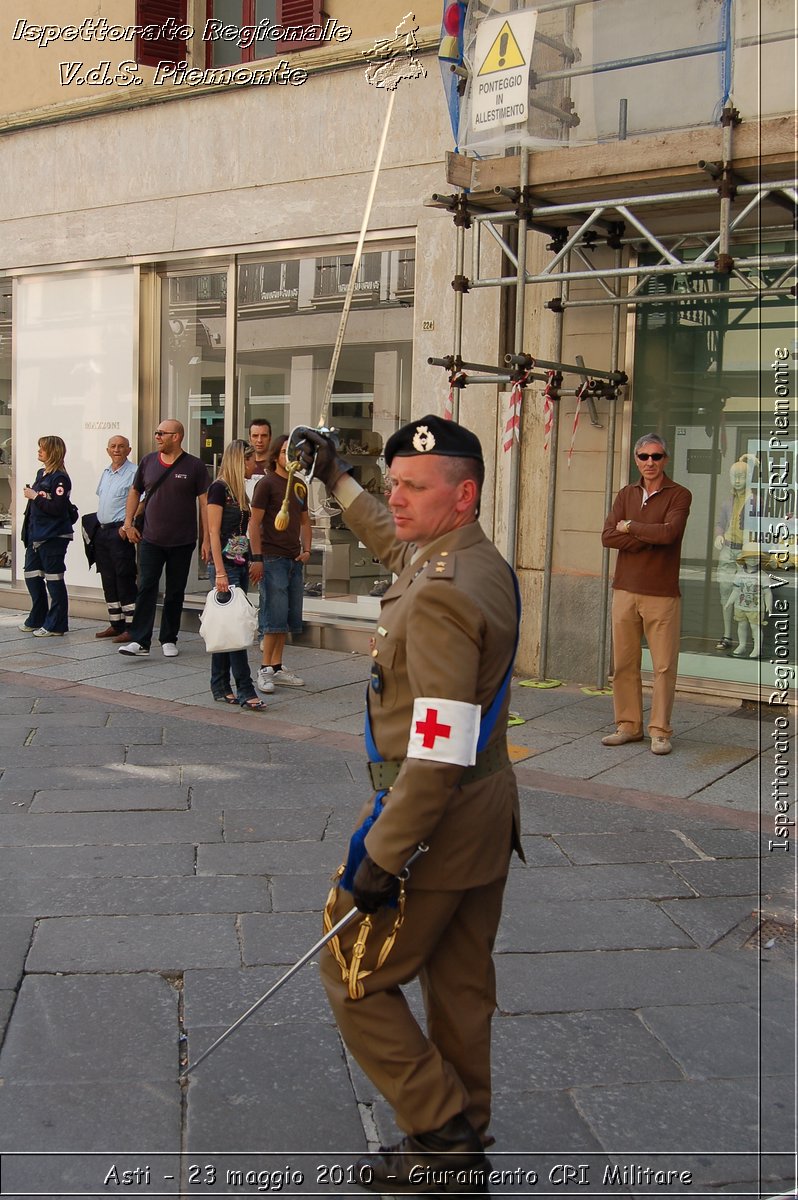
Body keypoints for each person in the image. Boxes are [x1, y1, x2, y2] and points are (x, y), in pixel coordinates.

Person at [296, 415, 522, 1190]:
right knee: (460, 985)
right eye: (392, 484)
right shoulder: (471, 559)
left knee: (350, 973)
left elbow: (436, 750)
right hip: (486, 810)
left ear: (464, 495)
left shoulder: (439, 596)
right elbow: (397, 546)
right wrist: (337, 482)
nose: (396, 500)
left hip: (437, 817)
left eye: (413, 488)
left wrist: (380, 857)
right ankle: (463, 1138)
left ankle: (439, 1131)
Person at [601, 432, 692, 756]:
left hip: (662, 592)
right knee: (624, 663)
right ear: (636, 460)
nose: (650, 462)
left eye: (656, 456)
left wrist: (631, 526)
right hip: (625, 589)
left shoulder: (679, 494)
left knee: (664, 666)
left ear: (665, 459)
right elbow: (608, 537)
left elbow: (669, 534)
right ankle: (628, 726)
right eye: (644, 457)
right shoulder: (626, 494)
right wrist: (645, 534)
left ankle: (660, 731)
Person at [118, 419, 209, 658]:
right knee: (146, 587)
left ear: (176, 436)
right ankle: (140, 640)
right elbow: (135, 492)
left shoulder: (195, 466)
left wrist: (207, 539)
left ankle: (169, 638)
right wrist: (127, 524)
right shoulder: (148, 461)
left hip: (183, 540)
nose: (157, 437)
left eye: (161, 433)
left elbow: (205, 504)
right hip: (150, 538)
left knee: (175, 590)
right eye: (156, 432)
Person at [248, 434, 312, 692]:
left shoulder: (300, 485)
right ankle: (264, 669)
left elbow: (306, 521)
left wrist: (307, 549)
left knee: (287, 615)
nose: (290, 458)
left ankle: (276, 666)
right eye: (285, 452)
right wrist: (256, 557)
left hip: (293, 557)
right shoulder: (266, 484)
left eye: (294, 454)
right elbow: (254, 522)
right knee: (273, 614)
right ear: (276, 456)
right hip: (272, 557)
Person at [206, 440, 264, 711]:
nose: (256, 465)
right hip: (225, 567)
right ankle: (245, 688)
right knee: (235, 628)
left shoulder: (239, 491)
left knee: (227, 627)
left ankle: (219, 684)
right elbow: (213, 533)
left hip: (237, 563)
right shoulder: (218, 489)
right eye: (253, 461)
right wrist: (220, 571)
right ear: (241, 460)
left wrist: (251, 559)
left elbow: (242, 533)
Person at [20, 435, 75, 638]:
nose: (39, 451)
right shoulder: (41, 473)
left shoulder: (60, 478)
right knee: (32, 576)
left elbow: (57, 508)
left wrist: (35, 496)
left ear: (52, 452)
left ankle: (56, 625)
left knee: (54, 580)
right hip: (35, 535)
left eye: (42, 449)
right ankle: (37, 617)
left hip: (53, 536)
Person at [93, 434, 138, 642]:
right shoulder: (106, 472)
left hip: (119, 532)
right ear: (107, 450)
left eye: (121, 446)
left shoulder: (134, 472)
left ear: (129, 450)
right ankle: (116, 624)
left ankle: (132, 626)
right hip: (102, 532)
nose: (117, 449)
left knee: (124, 578)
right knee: (108, 578)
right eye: (113, 446)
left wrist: (127, 525)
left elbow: (142, 501)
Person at [714, 456, 755, 651]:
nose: (737, 479)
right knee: (725, 592)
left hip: (745, 553)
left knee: (745, 594)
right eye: (734, 476)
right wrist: (719, 535)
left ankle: (745, 640)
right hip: (728, 549)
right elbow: (720, 523)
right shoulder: (726, 502)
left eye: (741, 476)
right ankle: (726, 634)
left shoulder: (755, 501)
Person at [724, 548, 773, 658]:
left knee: (755, 627)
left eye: (755, 558)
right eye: (749, 558)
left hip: (756, 608)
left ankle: (757, 648)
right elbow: (736, 590)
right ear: (744, 560)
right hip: (740, 606)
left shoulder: (763, 576)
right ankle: (742, 645)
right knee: (741, 625)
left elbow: (767, 592)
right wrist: (729, 602)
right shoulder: (739, 574)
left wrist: (769, 605)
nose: (752, 560)